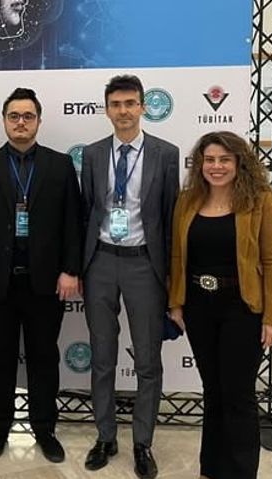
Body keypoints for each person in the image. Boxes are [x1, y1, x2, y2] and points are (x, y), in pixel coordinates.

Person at [0, 87, 82, 463]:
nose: (21, 122)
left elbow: (73, 221)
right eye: (14, 116)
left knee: (44, 358)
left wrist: (70, 270)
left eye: (28, 116)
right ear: (4, 120)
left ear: (38, 121)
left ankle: (45, 429)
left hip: (46, 283)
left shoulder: (60, 165)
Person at [168, 131, 272, 479]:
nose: (216, 167)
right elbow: (177, 256)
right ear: (200, 164)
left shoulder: (260, 200)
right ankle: (210, 469)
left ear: (239, 163)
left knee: (238, 395)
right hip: (198, 307)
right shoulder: (188, 200)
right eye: (210, 160)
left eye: (224, 160)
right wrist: (176, 302)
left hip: (242, 308)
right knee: (213, 392)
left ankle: (241, 472)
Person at [80, 75, 179, 479]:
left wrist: (171, 276)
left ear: (143, 107)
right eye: (116, 104)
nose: (123, 111)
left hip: (144, 265)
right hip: (101, 262)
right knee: (102, 355)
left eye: (130, 103)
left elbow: (170, 216)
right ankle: (105, 436)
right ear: (106, 109)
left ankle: (142, 442)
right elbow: (88, 210)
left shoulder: (165, 153)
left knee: (148, 360)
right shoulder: (92, 154)